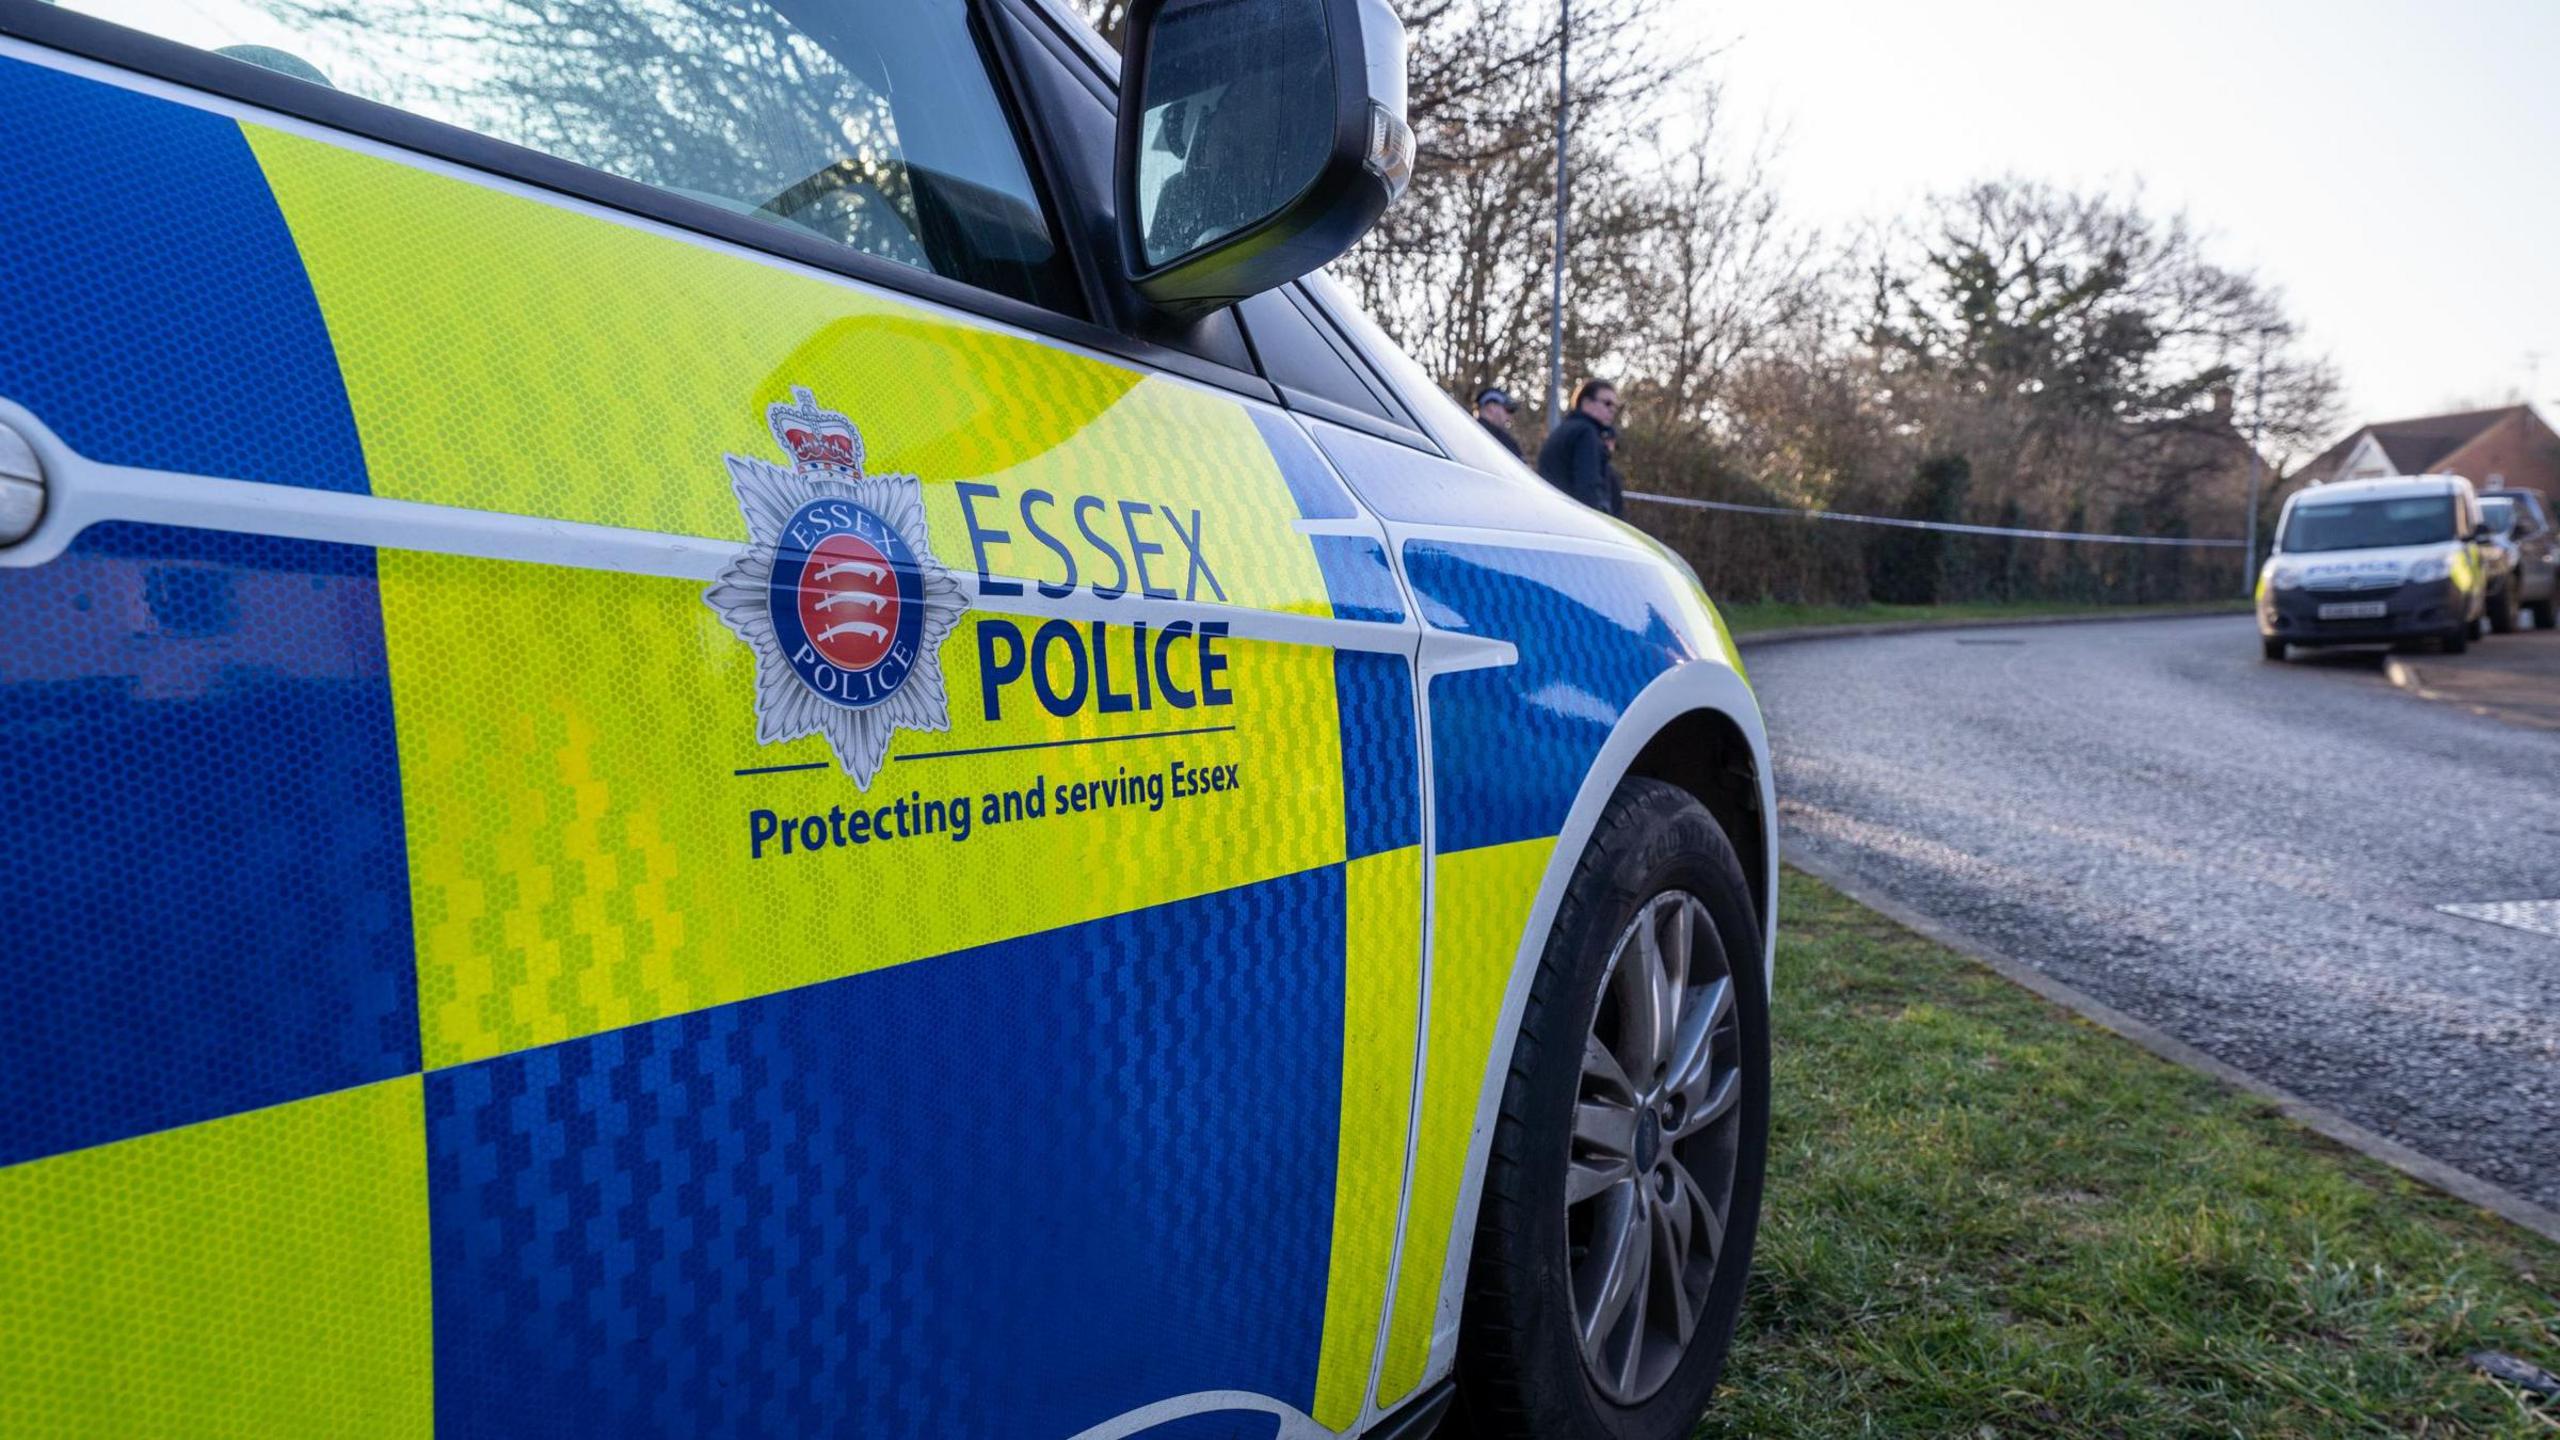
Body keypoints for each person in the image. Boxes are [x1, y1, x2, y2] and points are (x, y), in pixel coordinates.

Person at [1536, 378, 1624, 516]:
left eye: (1615, 406)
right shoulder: (1586, 433)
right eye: (1607, 403)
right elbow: (1588, 486)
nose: (1612, 410)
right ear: (1586, 403)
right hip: (1574, 520)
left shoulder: (1568, 429)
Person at [1472, 386, 1524, 459]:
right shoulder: (1502, 441)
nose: (1509, 416)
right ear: (1491, 409)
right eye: (1507, 410)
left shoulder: (1468, 433)